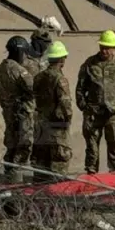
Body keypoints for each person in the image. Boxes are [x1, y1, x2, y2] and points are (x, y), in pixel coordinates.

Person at [75, 30, 115, 174]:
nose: (104, 50)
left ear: (114, 48)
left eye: (108, 47)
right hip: (94, 114)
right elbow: (80, 87)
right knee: (92, 148)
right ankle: (91, 175)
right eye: (102, 47)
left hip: (114, 115)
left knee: (114, 147)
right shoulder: (90, 64)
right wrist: (84, 107)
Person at [0, 36, 36, 183]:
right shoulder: (17, 69)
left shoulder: (0, 69)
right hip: (21, 112)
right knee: (24, 144)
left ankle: (9, 173)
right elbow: (33, 87)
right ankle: (16, 177)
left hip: (8, 111)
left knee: (11, 142)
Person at [31, 41, 73, 177]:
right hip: (57, 128)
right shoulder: (60, 79)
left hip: (41, 127)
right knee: (58, 167)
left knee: (40, 166)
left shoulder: (38, 77)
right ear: (62, 59)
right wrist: (67, 121)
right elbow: (66, 105)